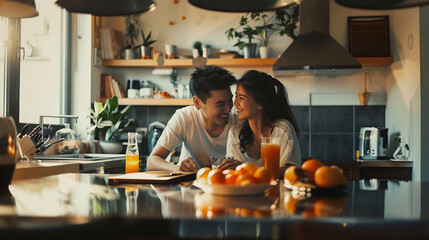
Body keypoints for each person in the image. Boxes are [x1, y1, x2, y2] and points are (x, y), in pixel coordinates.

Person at [147, 65, 242, 172]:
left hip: (227, 185)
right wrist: (178, 168)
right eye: (220, 104)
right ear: (197, 103)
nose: (228, 109)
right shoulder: (184, 118)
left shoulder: (239, 119)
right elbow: (152, 161)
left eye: (230, 100)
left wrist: (241, 167)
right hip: (189, 186)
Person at [226, 70, 301, 177]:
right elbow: (232, 174)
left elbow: (290, 170)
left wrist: (246, 169)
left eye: (241, 98)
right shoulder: (235, 134)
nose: (235, 103)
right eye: (236, 96)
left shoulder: (282, 130)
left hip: (278, 192)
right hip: (244, 192)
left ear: (260, 103)